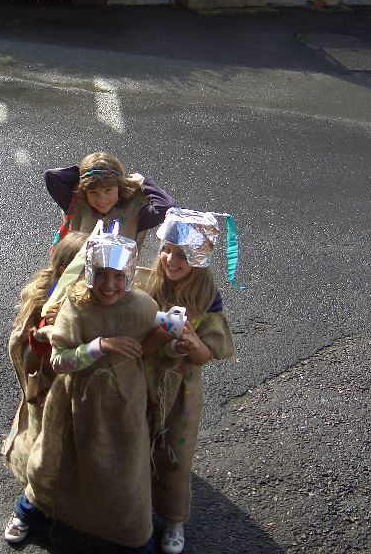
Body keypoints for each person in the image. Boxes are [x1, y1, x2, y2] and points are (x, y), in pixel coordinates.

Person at [5, 227, 160, 553]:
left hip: (122, 405)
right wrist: (100, 346)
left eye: (118, 276)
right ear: (88, 271)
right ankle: (29, 510)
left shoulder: (142, 307)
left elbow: (151, 346)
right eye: (101, 274)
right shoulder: (77, 308)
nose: (109, 285)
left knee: (123, 470)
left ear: (130, 273)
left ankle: (134, 535)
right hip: (74, 401)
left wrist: (175, 334)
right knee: (54, 460)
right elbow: (60, 361)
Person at [139, 208, 237, 554]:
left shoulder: (206, 294)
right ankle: (135, 514)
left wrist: (193, 344)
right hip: (142, 379)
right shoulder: (146, 280)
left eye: (181, 255)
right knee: (137, 445)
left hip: (181, 389)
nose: (170, 259)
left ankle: (174, 517)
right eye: (166, 249)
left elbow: (206, 355)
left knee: (175, 454)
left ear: (198, 257)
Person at [0, 231, 88, 490]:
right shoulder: (48, 297)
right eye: (87, 268)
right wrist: (48, 331)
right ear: (65, 269)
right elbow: (29, 346)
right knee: (48, 430)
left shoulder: (84, 293)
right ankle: (38, 483)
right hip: (50, 374)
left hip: (74, 371)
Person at [44, 151, 175, 245]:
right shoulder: (77, 204)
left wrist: (143, 182)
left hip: (116, 282)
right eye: (93, 192)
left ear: (120, 186)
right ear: (84, 191)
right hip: (77, 280)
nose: (102, 200)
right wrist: (87, 174)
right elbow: (52, 176)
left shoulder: (134, 212)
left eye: (108, 190)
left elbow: (166, 208)